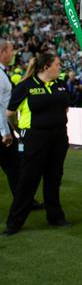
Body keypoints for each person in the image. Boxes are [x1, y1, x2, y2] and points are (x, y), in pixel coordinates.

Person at [3, 52, 72, 236]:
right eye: (57, 64)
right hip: (35, 138)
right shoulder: (25, 86)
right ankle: (14, 223)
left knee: (54, 178)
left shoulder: (60, 86)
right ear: (45, 67)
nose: (60, 67)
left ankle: (55, 217)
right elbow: (10, 113)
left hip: (58, 137)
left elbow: (65, 107)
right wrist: (22, 131)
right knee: (28, 180)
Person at [0, 39, 19, 199]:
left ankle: (24, 200)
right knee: (15, 165)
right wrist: (5, 132)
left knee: (15, 166)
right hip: (2, 131)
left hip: (5, 128)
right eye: (10, 50)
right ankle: (24, 201)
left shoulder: (3, 72)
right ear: (2, 52)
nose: (12, 53)